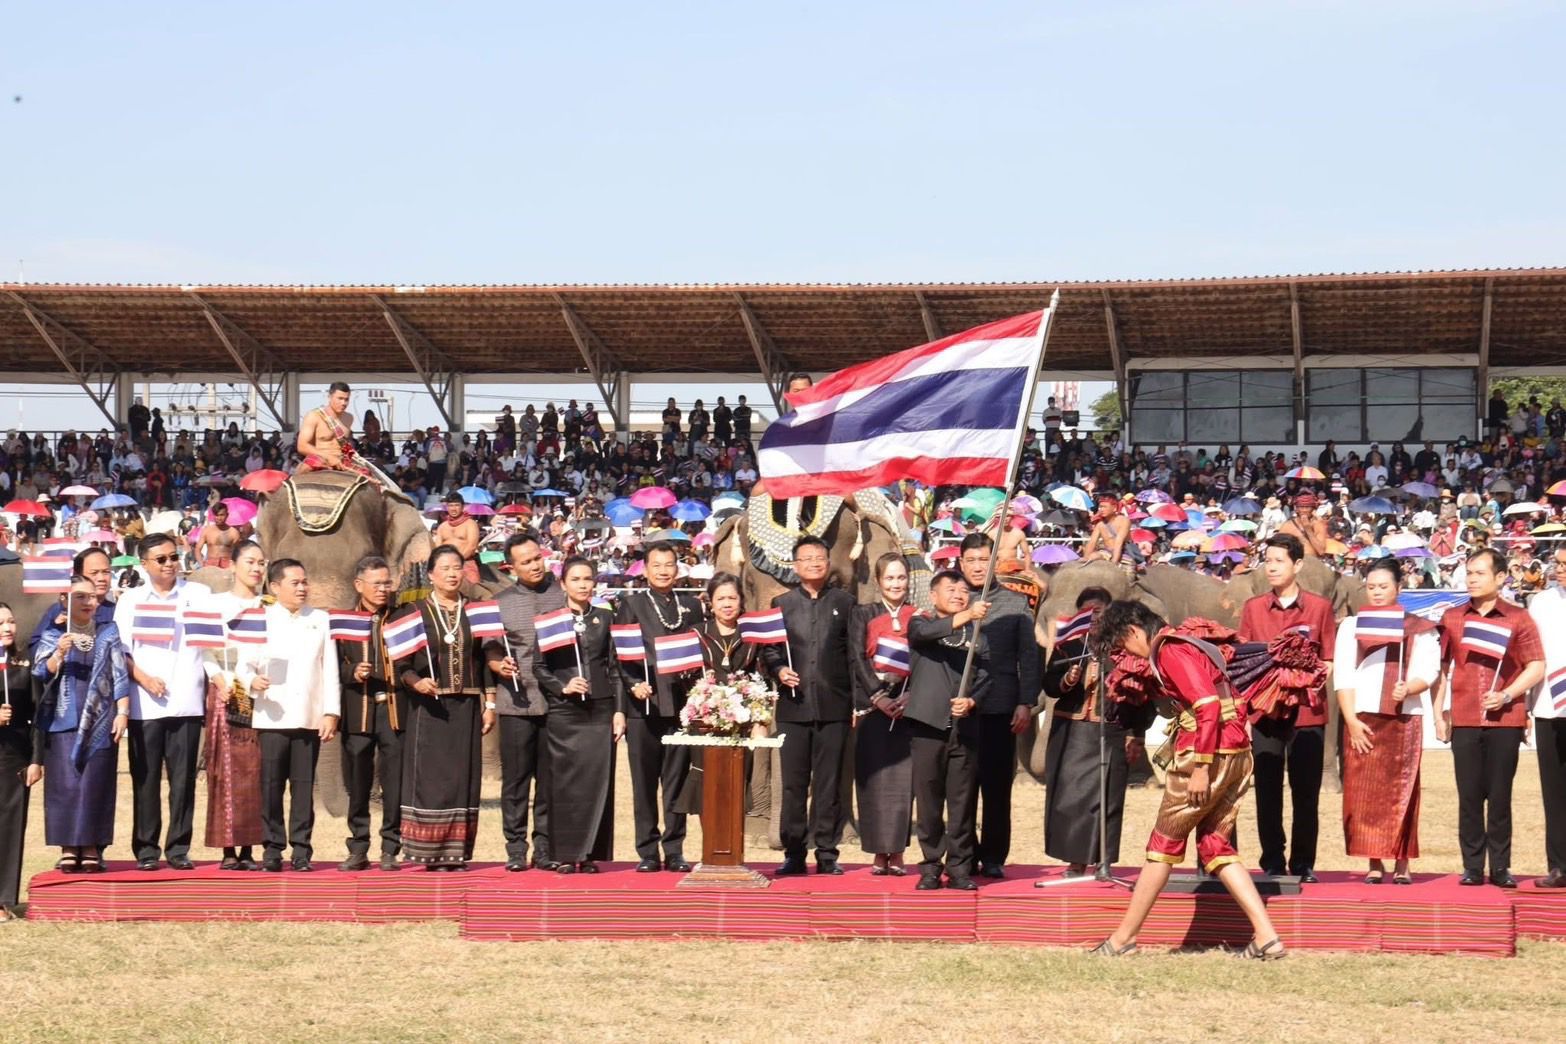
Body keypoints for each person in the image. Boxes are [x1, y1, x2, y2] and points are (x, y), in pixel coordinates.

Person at [1090, 600, 1284, 959]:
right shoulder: (1185, 644)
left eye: (1121, 645)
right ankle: (1267, 936)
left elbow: (1207, 706)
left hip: (1206, 755)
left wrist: (1200, 768)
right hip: (1236, 751)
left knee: (1161, 847)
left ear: (1133, 632)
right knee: (1215, 846)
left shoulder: (1169, 651)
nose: (1124, 654)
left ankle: (1122, 940)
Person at [1433, 548, 1544, 888]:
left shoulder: (1518, 617)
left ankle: (1500, 867)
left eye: (1480, 573)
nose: (1471, 578)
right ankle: (1471, 866)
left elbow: (1536, 665)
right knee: (1468, 796)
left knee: (1499, 796)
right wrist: (1439, 714)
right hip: (1464, 717)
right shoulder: (1452, 617)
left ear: (1500, 578)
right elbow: (1442, 668)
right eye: (1469, 572)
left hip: (1506, 719)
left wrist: (1508, 695)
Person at [1334, 559, 1439, 885]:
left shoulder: (1419, 627)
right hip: (1362, 718)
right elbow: (1343, 674)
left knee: (1403, 792)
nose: (1377, 592)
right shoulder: (1351, 626)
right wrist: (1350, 720)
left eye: (1384, 586)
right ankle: (1374, 862)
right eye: (1372, 587)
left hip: (1404, 718)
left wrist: (1411, 687)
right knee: (1362, 794)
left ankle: (1403, 861)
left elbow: (1430, 668)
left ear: (1399, 589)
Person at [1239, 533, 1336, 882]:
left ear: (1297, 565)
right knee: (1266, 790)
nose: (1272, 567)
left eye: (1279, 561)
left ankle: (1303, 863)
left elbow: (1329, 659)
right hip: (1265, 713)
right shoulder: (1253, 608)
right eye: (1268, 561)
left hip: (1307, 713)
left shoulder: (1320, 608)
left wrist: (1304, 680)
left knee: (1306, 792)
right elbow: (1243, 661)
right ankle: (1272, 860)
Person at [396, 545, 498, 870]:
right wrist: (416, 682)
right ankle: (428, 852)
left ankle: (456, 853)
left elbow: (484, 661)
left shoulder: (476, 610)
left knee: (462, 776)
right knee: (431, 778)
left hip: (467, 704)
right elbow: (402, 663)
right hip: (429, 707)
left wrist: (490, 702)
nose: (453, 574)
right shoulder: (414, 611)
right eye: (445, 568)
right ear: (431, 575)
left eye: (457, 567)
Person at [114, 533, 211, 871]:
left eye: (174, 557)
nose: (170, 564)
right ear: (144, 564)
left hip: (187, 700)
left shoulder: (199, 594)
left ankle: (179, 847)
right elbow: (121, 652)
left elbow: (212, 642)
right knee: (146, 778)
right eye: (162, 559)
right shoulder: (130, 600)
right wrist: (143, 678)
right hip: (146, 704)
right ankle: (146, 849)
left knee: (183, 780)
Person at [240, 560, 339, 872]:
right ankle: (271, 847)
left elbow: (330, 668)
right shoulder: (261, 619)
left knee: (303, 786)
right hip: (272, 714)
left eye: (304, 582)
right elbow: (243, 663)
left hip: (308, 715)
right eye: (294, 582)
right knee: (270, 785)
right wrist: (251, 682)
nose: (302, 588)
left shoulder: (320, 619)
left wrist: (330, 711)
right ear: (274, 586)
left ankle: (301, 849)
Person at [765, 535, 855, 876]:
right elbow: (769, 649)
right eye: (807, 558)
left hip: (835, 707)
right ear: (795, 565)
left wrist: (856, 703)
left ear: (829, 562)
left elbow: (853, 655)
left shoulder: (845, 604)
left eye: (820, 557)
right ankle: (794, 852)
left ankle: (828, 852)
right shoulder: (781, 603)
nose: (815, 562)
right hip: (794, 709)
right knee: (793, 784)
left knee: (829, 783)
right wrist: (778, 669)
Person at [1042, 587, 1146, 876]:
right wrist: (1067, 678)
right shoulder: (1070, 645)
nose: (1093, 616)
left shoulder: (1126, 647)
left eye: (1099, 610)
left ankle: (1104, 861)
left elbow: (1142, 693)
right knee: (1072, 799)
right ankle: (1076, 862)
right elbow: (1049, 685)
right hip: (1072, 729)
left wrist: (1137, 733)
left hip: (1111, 728)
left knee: (1109, 798)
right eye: (1087, 611)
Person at [614, 541, 705, 873]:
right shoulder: (632, 604)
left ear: (677, 568)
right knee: (644, 783)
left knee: (676, 782)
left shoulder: (692, 605)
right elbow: (621, 657)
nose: (664, 570)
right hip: (645, 708)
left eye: (669, 564)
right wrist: (632, 684)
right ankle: (648, 851)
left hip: (682, 708)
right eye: (657, 565)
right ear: (645, 570)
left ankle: (675, 848)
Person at [31, 576, 132, 874]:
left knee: (94, 782)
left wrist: (122, 711)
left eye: (93, 597)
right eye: (82, 597)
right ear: (65, 599)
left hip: (100, 717)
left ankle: (90, 845)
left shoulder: (108, 630)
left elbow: (119, 674)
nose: (90, 602)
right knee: (65, 785)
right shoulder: (53, 633)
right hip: (63, 718)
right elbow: (40, 671)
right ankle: (68, 847)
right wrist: (59, 652)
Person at [953, 533, 1039, 879]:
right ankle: (961, 853)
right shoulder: (951, 601)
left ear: (995, 563)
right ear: (960, 564)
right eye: (970, 560)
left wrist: (1026, 702)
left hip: (1001, 707)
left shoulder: (1016, 605)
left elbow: (1028, 658)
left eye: (983, 560)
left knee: (996, 787)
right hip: (958, 708)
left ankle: (993, 856)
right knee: (960, 789)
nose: (977, 566)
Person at [531, 557, 621, 873]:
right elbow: (538, 667)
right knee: (565, 785)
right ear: (563, 584)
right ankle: (563, 853)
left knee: (597, 784)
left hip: (600, 710)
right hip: (564, 712)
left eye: (588, 579)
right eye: (576, 579)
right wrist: (563, 686)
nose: (583, 585)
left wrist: (619, 711)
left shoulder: (605, 618)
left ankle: (588, 853)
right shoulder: (550, 620)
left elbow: (615, 668)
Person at [904, 570, 989, 890]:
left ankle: (959, 867)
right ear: (934, 595)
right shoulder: (920, 622)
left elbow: (986, 677)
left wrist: (971, 701)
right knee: (928, 802)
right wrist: (967, 614)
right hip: (927, 726)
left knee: (962, 802)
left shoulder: (978, 634)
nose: (958, 594)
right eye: (951, 589)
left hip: (964, 729)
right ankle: (930, 865)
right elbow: (924, 635)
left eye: (964, 590)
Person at [483, 531, 558, 871]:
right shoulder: (501, 602)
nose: (534, 566)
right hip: (516, 701)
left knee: (550, 779)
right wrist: (497, 664)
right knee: (516, 780)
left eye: (537, 558)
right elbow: (490, 649)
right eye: (525, 562)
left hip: (557, 702)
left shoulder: (562, 594)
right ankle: (515, 847)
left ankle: (544, 846)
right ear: (510, 566)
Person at [336, 555, 407, 872]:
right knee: (358, 783)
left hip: (393, 710)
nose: (382, 589)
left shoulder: (403, 616)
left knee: (394, 784)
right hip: (358, 710)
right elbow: (329, 666)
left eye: (386, 582)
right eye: (376, 583)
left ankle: (391, 847)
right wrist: (353, 671)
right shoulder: (343, 619)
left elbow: (415, 661)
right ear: (358, 585)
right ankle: (358, 846)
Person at [200, 539, 266, 871]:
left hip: (259, 695)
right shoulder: (216, 604)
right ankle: (227, 845)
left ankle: (251, 846)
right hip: (227, 691)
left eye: (261, 563)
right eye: (250, 562)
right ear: (234, 564)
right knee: (225, 772)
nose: (256, 569)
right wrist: (219, 679)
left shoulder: (269, 606)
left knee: (254, 772)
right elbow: (206, 650)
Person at [848, 553, 916, 876]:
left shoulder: (919, 616)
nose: (895, 584)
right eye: (889, 578)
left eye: (900, 578)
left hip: (907, 709)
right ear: (878, 582)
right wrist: (877, 696)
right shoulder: (863, 614)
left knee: (903, 784)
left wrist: (909, 696)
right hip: (873, 707)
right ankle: (878, 852)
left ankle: (899, 851)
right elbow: (857, 657)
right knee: (873, 781)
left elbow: (924, 659)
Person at [1529, 547, 1566, 890]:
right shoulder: (1540, 603)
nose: (1560, 570)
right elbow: (1531, 654)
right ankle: (1559, 866)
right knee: (1553, 792)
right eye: (1558, 564)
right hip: (1547, 705)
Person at [295, 381, 399, 496]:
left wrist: (353, 458)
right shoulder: (313, 416)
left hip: (342, 460)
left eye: (346, 399)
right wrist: (329, 457)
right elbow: (302, 446)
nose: (343, 403)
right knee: (295, 485)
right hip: (320, 459)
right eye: (339, 398)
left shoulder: (349, 418)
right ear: (329, 397)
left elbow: (343, 445)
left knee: (373, 483)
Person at [0, 604, 35, 916]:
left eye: (11, 620)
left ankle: (3, 900)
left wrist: (37, 759)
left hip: (14, 757)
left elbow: (37, 715)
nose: (7, 627)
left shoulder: (23, 665)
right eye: (0, 623)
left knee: (10, 828)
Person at [433, 491, 481, 584]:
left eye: (456, 505)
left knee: (474, 590)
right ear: (447, 507)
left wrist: (457, 562)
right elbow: (437, 548)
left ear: (462, 507)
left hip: (466, 562)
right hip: (445, 564)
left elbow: (472, 546)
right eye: (450, 506)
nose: (453, 509)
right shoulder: (442, 526)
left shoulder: (470, 524)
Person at [1081, 494, 1134, 574]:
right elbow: (1092, 542)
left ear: (1114, 508)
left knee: (1129, 576)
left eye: (1104, 507)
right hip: (1106, 552)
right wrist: (1085, 558)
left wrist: (1114, 562)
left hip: (1123, 553)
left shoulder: (1124, 521)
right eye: (1100, 507)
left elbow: (1118, 542)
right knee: (1092, 557)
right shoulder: (1100, 525)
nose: (1101, 509)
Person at [1276, 492, 1330, 556]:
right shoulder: (1288, 526)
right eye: (1301, 507)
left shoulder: (1318, 525)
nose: (1304, 510)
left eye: (1307, 507)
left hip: (1313, 563)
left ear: (1312, 508)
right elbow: (1278, 547)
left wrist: (1308, 529)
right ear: (1297, 509)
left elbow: (1321, 551)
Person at [196, 501, 241, 569]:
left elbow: (238, 552)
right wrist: (202, 564)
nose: (219, 518)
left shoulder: (233, 532)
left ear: (227, 515)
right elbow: (197, 549)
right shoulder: (207, 531)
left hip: (227, 566)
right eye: (217, 515)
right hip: (210, 565)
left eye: (222, 515)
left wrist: (234, 566)